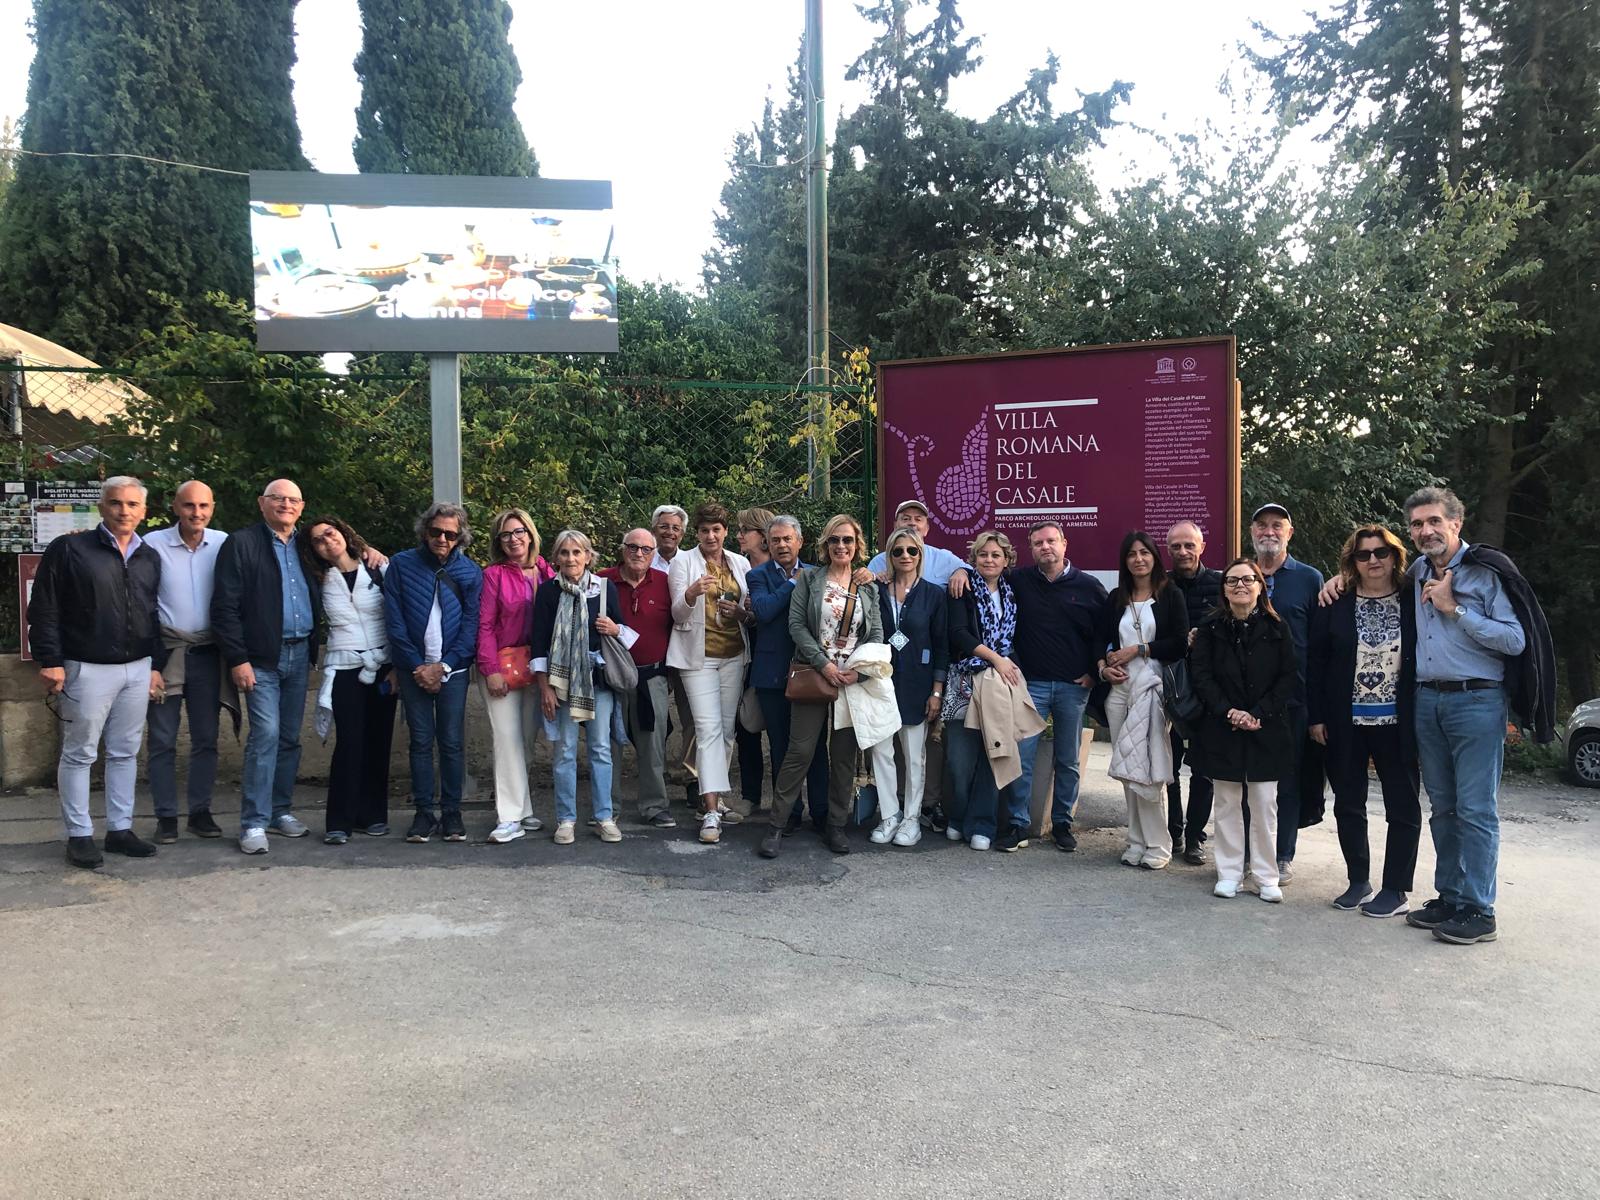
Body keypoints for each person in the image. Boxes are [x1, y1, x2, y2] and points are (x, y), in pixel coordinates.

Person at [1401, 488, 1537, 945]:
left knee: (1477, 809)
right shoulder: (1417, 570)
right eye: (1418, 524)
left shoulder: (1485, 572)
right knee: (1444, 808)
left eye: (1435, 521)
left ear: (1456, 523)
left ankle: (1480, 910)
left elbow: (1515, 640)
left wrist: (1454, 609)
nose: (1426, 531)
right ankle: (1452, 896)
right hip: (1428, 700)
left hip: (1477, 700)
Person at [28, 476, 164, 868]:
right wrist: (50, 660)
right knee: (80, 753)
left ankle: (120, 829)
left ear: (144, 511)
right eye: (116, 503)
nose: (124, 511)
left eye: (133, 505)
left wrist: (155, 664)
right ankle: (79, 834)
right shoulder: (70, 548)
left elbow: (152, 613)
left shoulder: (147, 556)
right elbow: (45, 607)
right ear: (102, 507)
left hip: (137, 668)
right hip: (86, 668)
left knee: (124, 752)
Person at [1307, 525, 1420, 917]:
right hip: (1345, 720)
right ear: (1351, 561)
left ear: (1395, 555)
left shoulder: (1414, 598)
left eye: (1381, 552)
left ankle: (1395, 889)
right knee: (1348, 803)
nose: (1373, 559)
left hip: (1399, 722)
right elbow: (1316, 662)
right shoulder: (1334, 601)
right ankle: (1359, 880)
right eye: (1363, 554)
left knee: (1402, 804)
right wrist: (1316, 716)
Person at [758, 514, 884, 858]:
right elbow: (796, 625)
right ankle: (777, 825)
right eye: (834, 540)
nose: (841, 546)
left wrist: (858, 672)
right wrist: (824, 664)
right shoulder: (809, 579)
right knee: (799, 752)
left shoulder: (868, 587)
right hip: (815, 674)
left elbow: (875, 634)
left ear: (857, 545)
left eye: (847, 540)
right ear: (825, 545)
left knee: (843, 757)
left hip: (852, 682)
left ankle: (835, 826)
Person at [212, 478, 321, 854]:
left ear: (301, 507)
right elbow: (224, 607)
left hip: (299, 655)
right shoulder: (241, 544)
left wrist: (370, 551)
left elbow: (344, 547)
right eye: (278, 499)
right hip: (260, 660)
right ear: (262, 503)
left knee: (290, 737)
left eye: (293, 500)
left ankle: (280, 811)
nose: (286, 505)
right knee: (267, 736)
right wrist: (238, 659)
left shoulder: (308, 545)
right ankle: (253, 822)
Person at [1188, 558, 1299, 902]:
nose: (1240, 586)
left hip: (1266, 727)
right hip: (1223, 726)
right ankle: (1230, 873)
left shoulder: (1278, 627)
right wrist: (1230, 712)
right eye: (1232, 581)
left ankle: (1266, 877)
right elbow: (1201, 676)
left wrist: (1257, 713)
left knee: (1265, 803)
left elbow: (1287, 678)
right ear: (1223, 589)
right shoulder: (1209, 628)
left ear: (1259, 585)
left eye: (1247, 580)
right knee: (1226, 802)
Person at [383, 502, 483, 845]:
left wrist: (444, 666)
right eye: (436, 531)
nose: (442, 538)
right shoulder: (401, 565)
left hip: (452, 670)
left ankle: (452, 812)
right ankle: (424, 813)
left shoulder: (470, 573)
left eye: (450, 534)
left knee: (452, 743)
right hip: (413, 669)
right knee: (421, 742)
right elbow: (393, 622)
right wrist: (417, 666)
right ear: (425, 531)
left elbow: (471, 626)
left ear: (460, 537)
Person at [1010, 520, 1109, 852]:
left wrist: (1095, 672)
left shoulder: (1089, 587)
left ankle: (1063, 823)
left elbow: (1104, 634)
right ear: (1031, 548)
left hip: (1073, 686)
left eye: (1051, 541)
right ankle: (1018, 824)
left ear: (1064, 544)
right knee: (1022, 758)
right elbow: (986, 579)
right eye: (1038, 543)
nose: (1045, 547)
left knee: (1067, 758)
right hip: (1031, 686)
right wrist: (962, 573)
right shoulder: (1019, 581)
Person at [532, 529, 635, 845]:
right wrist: (545, 688)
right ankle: (566, 819)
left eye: (577, 552)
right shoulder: (548, 593)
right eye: (564, 553)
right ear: (556, 558)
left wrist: (615, 628)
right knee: (564, 751)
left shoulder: (604, 590)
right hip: (561, 683)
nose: (571, 558)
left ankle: (604, 816)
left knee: (601, 750)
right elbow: (538, 642)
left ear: (589, 556)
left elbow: (625, 633)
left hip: (598, 681)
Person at [300, 515, 398, 845]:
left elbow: (398, 615)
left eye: (330, 533)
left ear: (343, 531)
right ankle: (339, 820)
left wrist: (398, 664)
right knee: (349, 743)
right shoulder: (315, 578)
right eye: (318, 540)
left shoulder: (377, 568)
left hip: (383, 664)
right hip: (344, 667)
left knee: (378, 741)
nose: (328, 541)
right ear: (313, 549)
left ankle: (373, 815)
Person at [1095, 531, 1189, 869]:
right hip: (1118, 691)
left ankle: (1159, 844)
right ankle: (1135, 840)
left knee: (1148, 769)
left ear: (1154, 557)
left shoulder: (1170, 594)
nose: (1138, 559)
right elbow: (1100, 640)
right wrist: (1104, 666)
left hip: (1152, 689)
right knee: (1127, 768)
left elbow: (1180, 642)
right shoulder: (1116, 597)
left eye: (1144, 552)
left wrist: (1140, 649)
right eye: (1132, 554)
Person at [143, 480, 228, 843]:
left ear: (212, 509)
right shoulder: (151, 545)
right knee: (162, 739)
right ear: (176, 507)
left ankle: (199, 812)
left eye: (204, 506)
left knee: (206, 738)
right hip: (166, 653)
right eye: (190, 506)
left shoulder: (224, 544)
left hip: (209, 654)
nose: (197, 513)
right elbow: (139, 601)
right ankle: (165, 816)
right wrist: (149, 663)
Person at [668, 501, 754, 844]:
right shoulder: (682, 562)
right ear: (697, 533)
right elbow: (676, 615)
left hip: (734, 655)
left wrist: (740, 613)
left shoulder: (740, 563)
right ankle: (710, 810)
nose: (710, 536)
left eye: (716, 530)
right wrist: (691, 593)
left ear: (725, 532)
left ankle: (715, 799)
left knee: (727, 731)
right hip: (698, 658)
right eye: (704, 530)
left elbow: (749, 613)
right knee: (706, 731)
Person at [1248, 503, 1325, 883]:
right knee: (1248, 779)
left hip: (1294, 699)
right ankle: (1249, 853)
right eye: (1261, 525)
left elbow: (1321, 642)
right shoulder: (1241, 575)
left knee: (1287, 781)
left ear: (1289, 533)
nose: (1269, 532)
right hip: (1247, 699)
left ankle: (1282, 855)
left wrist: (1317, 705)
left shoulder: (1310, 579)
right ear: (1252, 532)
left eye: (1277, 526)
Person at [746, 515, 829, 834]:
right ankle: (791, 812)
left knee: (816, 746)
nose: (781, 545)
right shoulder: (758, 575)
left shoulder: (817, 573)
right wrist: (794, 582)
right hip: (772, 674)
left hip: (811, 670)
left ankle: (821, 811)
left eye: (787, 539)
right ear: (768, 543)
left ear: (800, 542)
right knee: (781, 747)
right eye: (775, 540)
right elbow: (763, 611)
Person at [943, 531, 1026, 852]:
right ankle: (958, 817)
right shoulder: (960, 588)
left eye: (995, 555)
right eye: (982, 555)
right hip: (964, 683)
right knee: (959, 761)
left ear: (1006, 561)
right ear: (973, 559)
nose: (989, 560)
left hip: (1000, 686)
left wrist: (1005, 666)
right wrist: (997, 659)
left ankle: (982, 824)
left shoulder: (1013, 592)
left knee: (994, 756)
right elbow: (958, 633)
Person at [478, 509, 555, 845]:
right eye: (505, 535)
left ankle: (522, 809)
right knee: (506, 740)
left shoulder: (545, 571)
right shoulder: (493, 575)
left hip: (537, 666)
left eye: (519, 531)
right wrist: (490, 670)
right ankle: (509, 817)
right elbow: (483, 625)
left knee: (524, 740)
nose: (513, 539)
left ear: (531, 534)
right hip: (502, 666)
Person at [868, 528, 948, 846]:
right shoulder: (876, 590)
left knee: (914, 756)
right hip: (880, 683)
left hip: (918, 683)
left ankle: (912, 818)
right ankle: (890, 815)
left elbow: (942, 645)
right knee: (881, 752)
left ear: (920, 555)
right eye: (898, 550)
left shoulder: (933, 595)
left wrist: (937, 690)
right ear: (889, 554)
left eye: (911, 551)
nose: (905, 556)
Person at [600, 529, 677, 827]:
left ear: (654, 553)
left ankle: (655, 806)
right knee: (608, 745)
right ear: (623, 549)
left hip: (652, 676)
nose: (639, 554)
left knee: (653, 745)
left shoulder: (665, 583)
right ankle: (607, 806)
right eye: (633, 547)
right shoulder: (602, 581)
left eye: (646, 549)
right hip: (609, 677)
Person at [1164, 520, 1221, 863]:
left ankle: (1197, 836)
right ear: (1167, 550)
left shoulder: (1221, 583)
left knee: (1204, 769)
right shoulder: (1160, 585)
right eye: (1175, 547)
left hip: (1207, 691)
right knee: (1167, 769)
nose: (1183, 552)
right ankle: (1173, 833)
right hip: (1167, 690)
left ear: (1202, 546)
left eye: (1189, 545)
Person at [730, 506, 776, 819]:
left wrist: (751, 614)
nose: (739, 536)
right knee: (746, 726)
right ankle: (749, 797)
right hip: (744, 658)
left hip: (776, 660)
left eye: (745, 530)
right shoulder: (737, 567)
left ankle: (784, 803)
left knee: (779, 731)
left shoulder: (784, 570)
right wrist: (742, 616)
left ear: (762, 535)